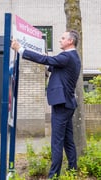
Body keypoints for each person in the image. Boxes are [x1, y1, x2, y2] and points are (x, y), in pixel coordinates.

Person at [11, 30, 81, 179]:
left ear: (70, 41)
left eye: (63, 38)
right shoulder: (72, 57)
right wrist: (45, 57)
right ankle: (72, 171)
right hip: (67, 104)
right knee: (68, 141)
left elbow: (46, 61)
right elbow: (51, 66)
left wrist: (21, 49)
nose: (60, 40)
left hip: (62, 105)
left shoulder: (67, 56)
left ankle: (53, 176)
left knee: (57, 141)